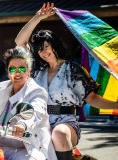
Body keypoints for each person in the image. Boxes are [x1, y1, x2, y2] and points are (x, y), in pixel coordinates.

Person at [15, 2, 118, 160]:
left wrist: (116, 105)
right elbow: (20, 42)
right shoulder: (35, 70)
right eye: (40, 49)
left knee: (59, 133)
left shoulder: (73, 70)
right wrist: (38, 17)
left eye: (46, 46)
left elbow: (92, 99)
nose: (43, 51)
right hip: (38, 122)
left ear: (54, 46)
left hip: (66, 122)